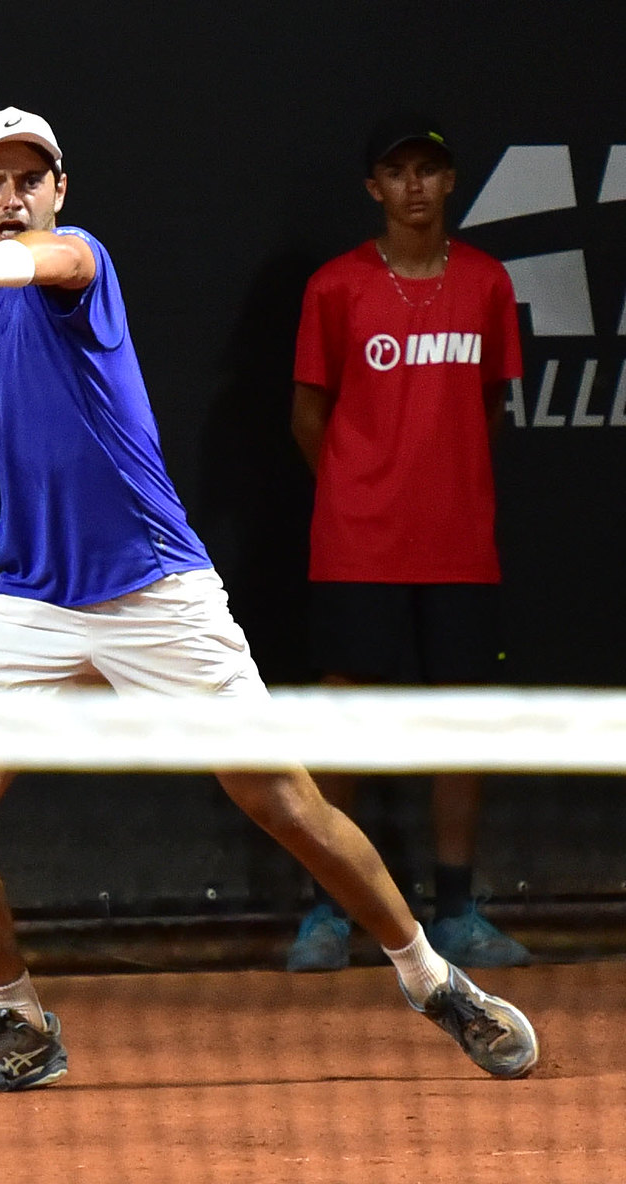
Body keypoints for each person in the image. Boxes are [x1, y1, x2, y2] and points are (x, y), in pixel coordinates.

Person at [0, 107, 537, 1095]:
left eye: (28, 180)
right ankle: (18, 1023)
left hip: (156, 589)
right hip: (31, 603)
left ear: (58, 191)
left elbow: (46, 266)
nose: (12, 198)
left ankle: (431, 981)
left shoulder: (77, 264)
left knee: (283, 803)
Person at [285, 115, 530, 974]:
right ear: (374, 188)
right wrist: (363, 492)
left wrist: (440, 486)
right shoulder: (335, 287)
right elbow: (307, 415)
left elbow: (491, 408)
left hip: (460, 545)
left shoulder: (490, 285)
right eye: (397, 172)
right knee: (345, 718)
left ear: (451, 181)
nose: (415, 186)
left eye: (429, 170)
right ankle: (328, 910)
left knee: (459, 720)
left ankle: (459, 910)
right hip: (357, 545)